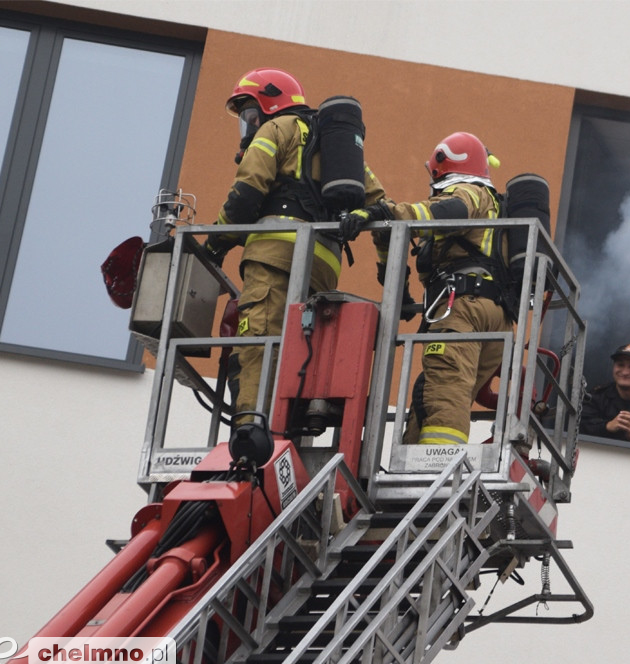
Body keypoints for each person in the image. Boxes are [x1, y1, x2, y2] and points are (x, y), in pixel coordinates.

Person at [203, 67, 388, 426]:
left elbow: (246, 194)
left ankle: (251, 434)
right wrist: (389, 271)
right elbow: (383, 211)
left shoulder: (277, 128)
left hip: (274, 259)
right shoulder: (339, 151)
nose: (248, 126)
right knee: (299, 353)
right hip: (322, 272)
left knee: (257, 347)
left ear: (270, 106)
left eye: (249, 114)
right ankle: (287, 428)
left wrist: (215, 245)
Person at [338, 131, 509, 445]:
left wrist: (387, 213)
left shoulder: (467, 190)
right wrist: (399, 290)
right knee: (429, 394)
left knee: (445, 393)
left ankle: (436, 471)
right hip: (491, 314)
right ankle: (413, 461)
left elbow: (447, 214)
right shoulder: (494, 206)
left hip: (463, 308)